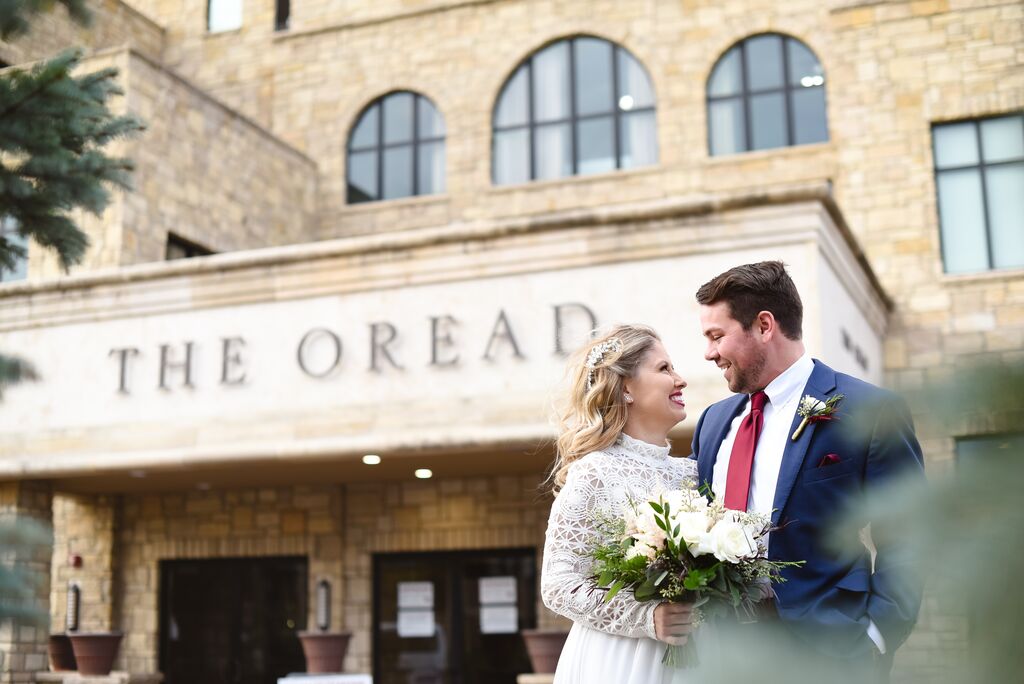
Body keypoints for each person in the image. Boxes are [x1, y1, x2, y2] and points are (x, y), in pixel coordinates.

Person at [690, 261, 924, 681]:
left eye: (716, 336)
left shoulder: (870, 410)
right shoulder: (711, 423)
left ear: (764, 325)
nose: (709, 353)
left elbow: (910, 534)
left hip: (832, 652)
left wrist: (876, 637)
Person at [541, 324, 696, 684]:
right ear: (626, 387)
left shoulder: (693, 473)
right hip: (620, 659)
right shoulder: (594, 472)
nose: (680, 379)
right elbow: (558, 585)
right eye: (664, 369)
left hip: (694, 655)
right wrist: (647, 617)